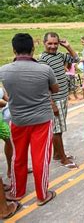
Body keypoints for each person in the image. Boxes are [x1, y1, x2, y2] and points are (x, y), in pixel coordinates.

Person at [0, 33, 59, 206]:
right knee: (40, 157)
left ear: (14, 50)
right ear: (33, 49)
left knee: (18, 157)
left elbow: (6, 93)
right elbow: (54, 89)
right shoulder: (45, 70)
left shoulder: (4, 70)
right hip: (42, 119)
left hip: (18, 120)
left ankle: (17, 192)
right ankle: (42, 195)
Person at [38, 32, 78, 169]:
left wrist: (68, 46)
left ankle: (57, 154)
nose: (53, 46)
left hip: (62, 98)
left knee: (59, 128)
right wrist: (52, 103)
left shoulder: (59, 56)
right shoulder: (43, 60)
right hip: (55, 100)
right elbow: (43, 84)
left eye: (55, 43)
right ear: (44, 43)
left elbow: (76, 59)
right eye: (50, 43)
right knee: (57, 130)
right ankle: (63, 158)